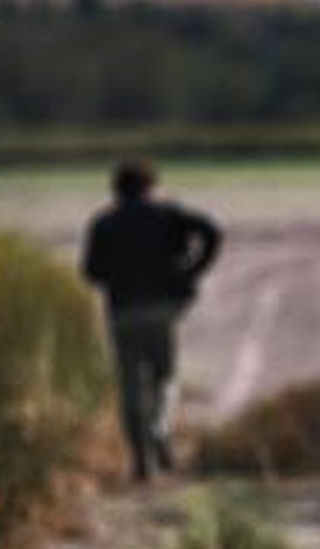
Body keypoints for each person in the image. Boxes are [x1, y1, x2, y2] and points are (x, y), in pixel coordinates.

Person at [81, 158, 222, 481]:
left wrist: (116, 276)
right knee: (166, 376)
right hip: (164, 308)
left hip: (121, 312)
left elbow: (90, 272)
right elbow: (213, 232)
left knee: (130, 387)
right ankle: (160, 429)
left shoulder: (103, 223)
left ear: (116, 190)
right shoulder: (169, 214)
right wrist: (193, 270)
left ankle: (141, 462)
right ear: (150, 186)